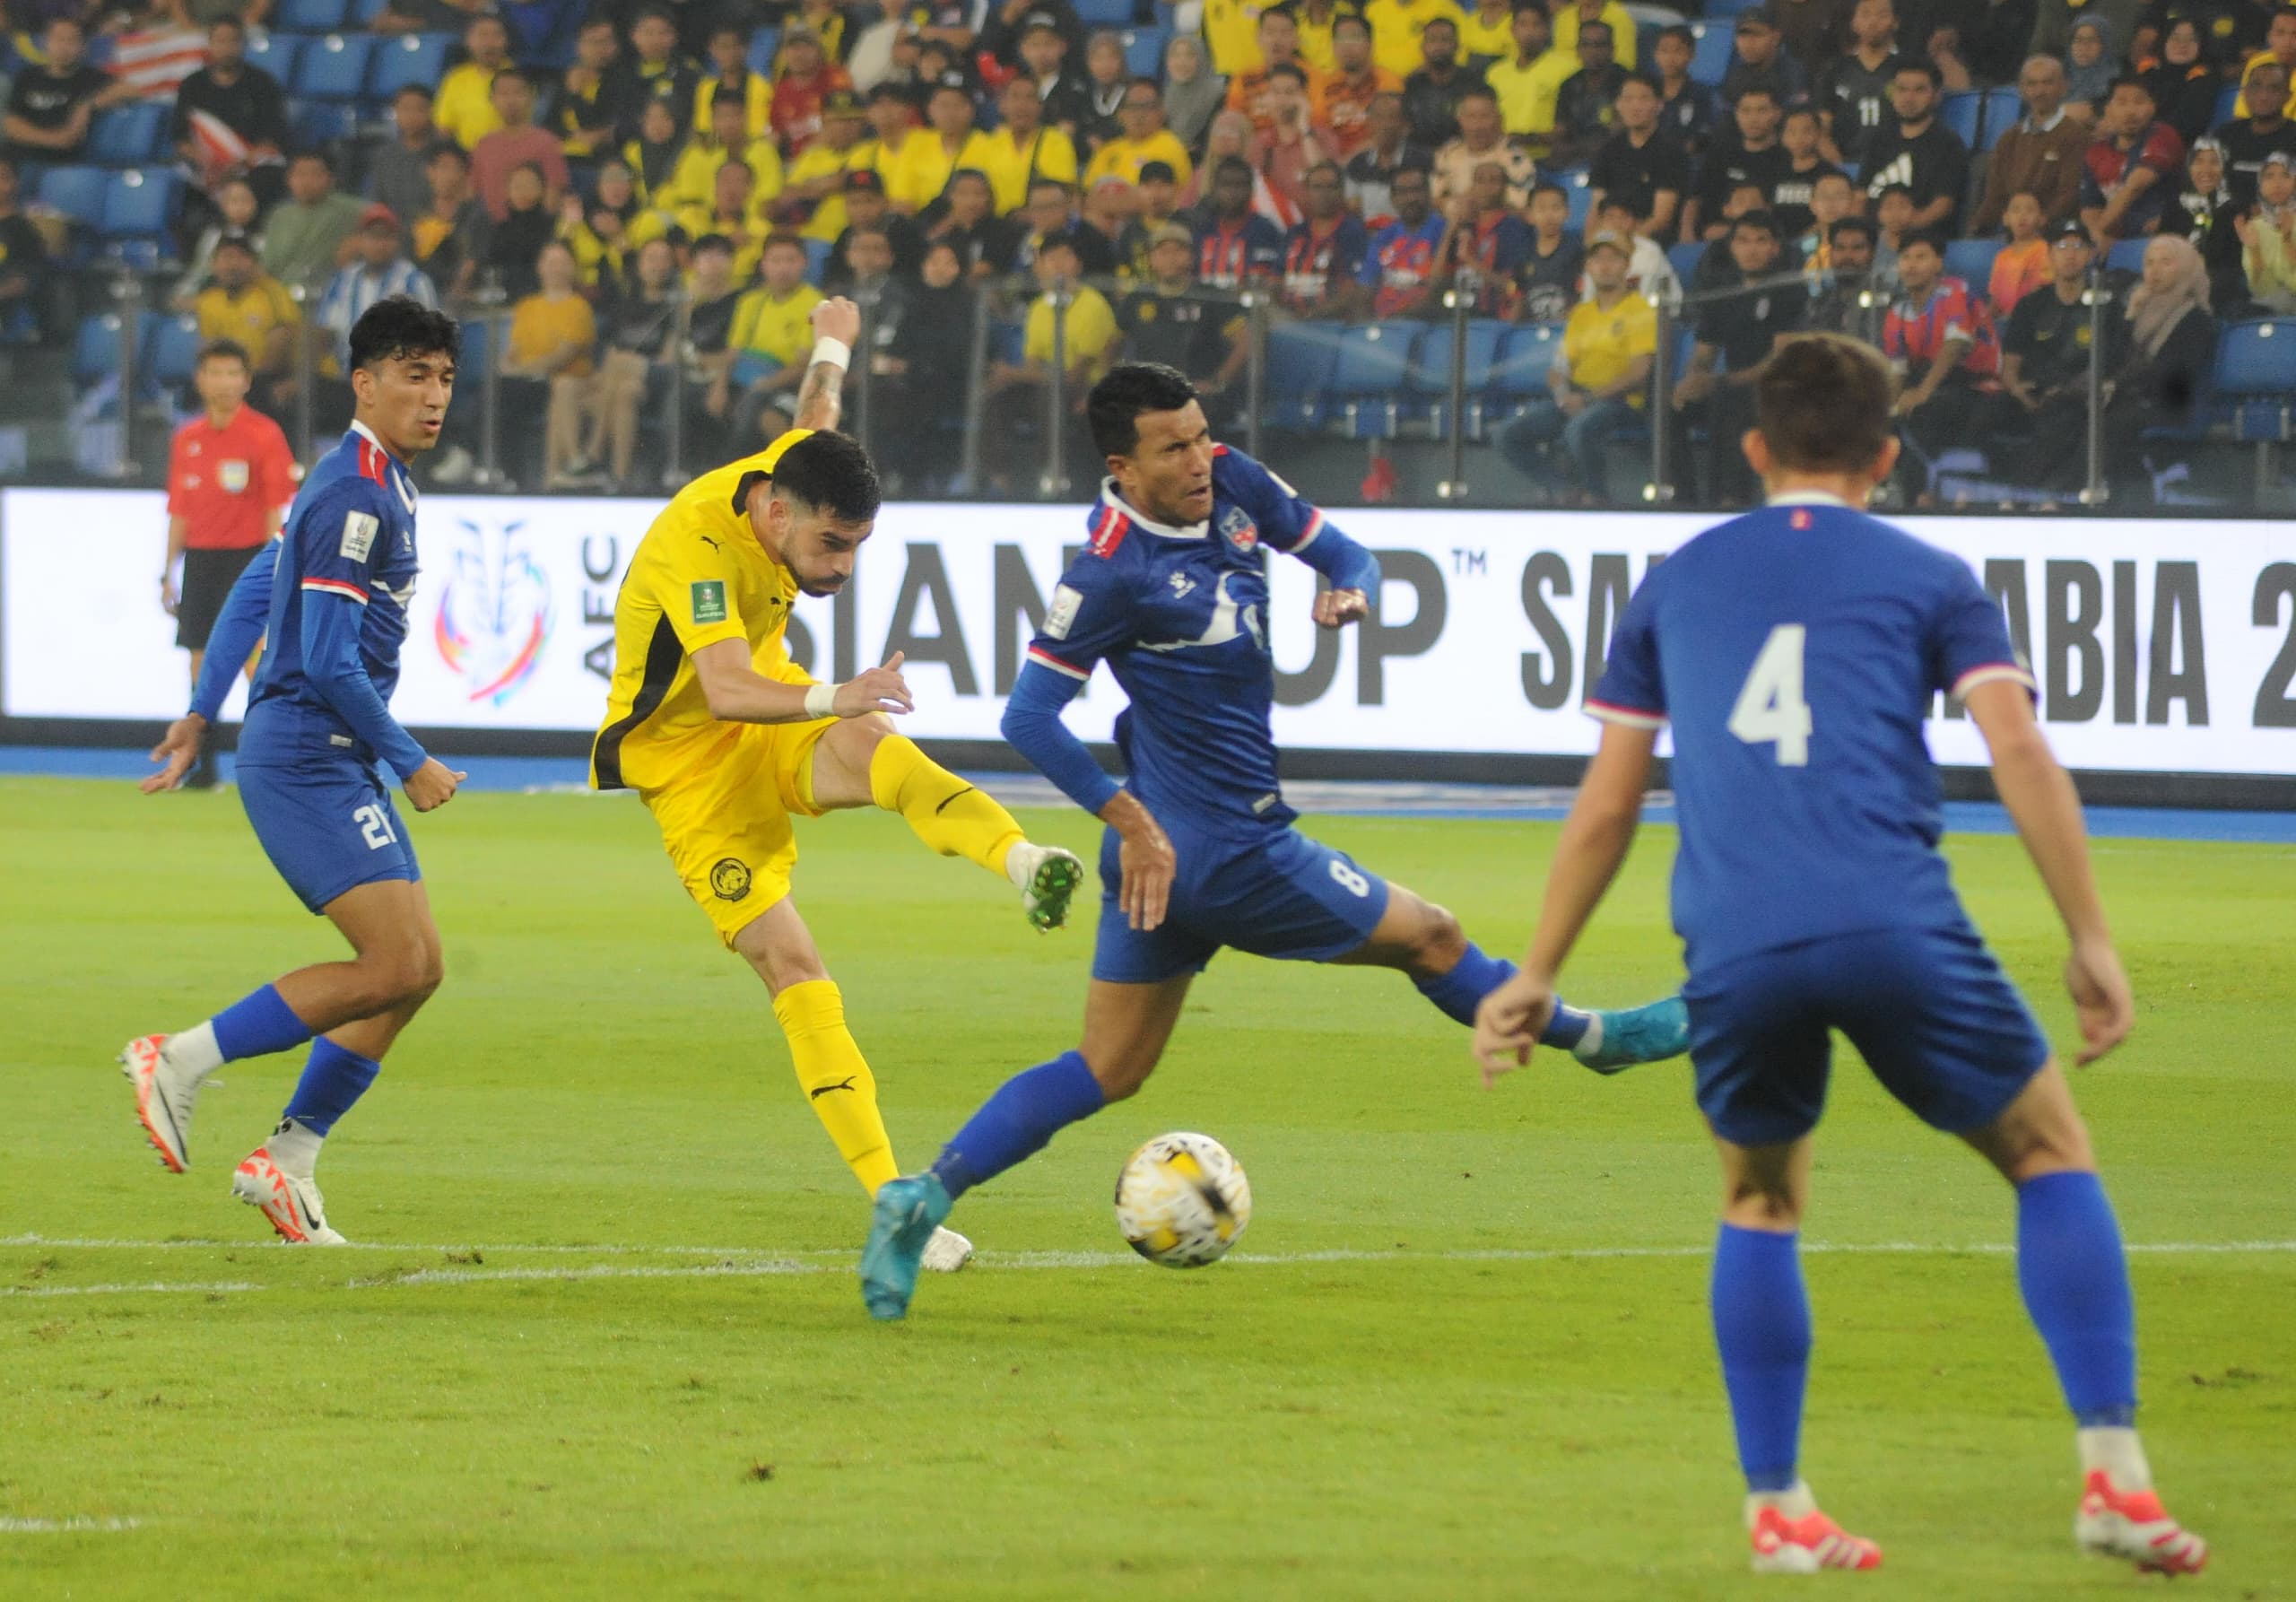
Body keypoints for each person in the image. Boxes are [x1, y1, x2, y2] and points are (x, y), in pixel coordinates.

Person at [1468, 329, 2210, 1580]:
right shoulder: (1933, 574)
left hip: (1737, 942)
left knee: (1759, 1196)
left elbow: (1606, 803)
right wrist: (2087, 936)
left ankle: (1779, 1510)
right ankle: (2116, 1482)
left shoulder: (1676, 580)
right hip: (1894, 921)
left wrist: (1536, 969)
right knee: (2045, 1149)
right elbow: (2020, 751)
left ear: (1754, 447)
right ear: (1888, 451)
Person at [857, 360, 1689, 1320]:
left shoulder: (1234, 483)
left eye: (1202, 434)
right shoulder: (1109, 573)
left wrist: (1350, 590)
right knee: (1433, 935)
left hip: (1163, 867)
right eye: (1173, 448)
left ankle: (924, 1193)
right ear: (1122, 467)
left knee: (1106, 1067)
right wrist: (1125, 817)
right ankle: (1595, 1039)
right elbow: (1029, 717)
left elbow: (1348, 555)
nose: (1199, 458)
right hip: (1228, 851)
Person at [591, 308, 1083, 1258]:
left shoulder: (790, 473)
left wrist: (835, 341)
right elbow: (728, 686)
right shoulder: (696, 547)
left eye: (856, 546)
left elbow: (818, 408)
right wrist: (835, 689)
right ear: (776, 514)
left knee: (871, 742)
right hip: (691, 768)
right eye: (831, 547)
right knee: (796, 968)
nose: (843, 567)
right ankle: (894, 1197)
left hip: (769, 719)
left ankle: (1021, 860)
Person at [126, 297, 467, 1248]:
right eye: (413, 375)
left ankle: (289, 1159)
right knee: (395, 961)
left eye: (443, 377)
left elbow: (249, 583)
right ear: (364, 383)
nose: (434, 395)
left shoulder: (367, 479)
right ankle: (178, 1058)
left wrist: (200, 711)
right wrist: (411, 760)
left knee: (418, 969)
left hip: (328, 753)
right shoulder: (356, 493)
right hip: (308, 756)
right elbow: (321, 657)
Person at [159, 340, 299, 790]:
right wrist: (167, 571)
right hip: (201, 560)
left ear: (246, 381)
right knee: (199, 664)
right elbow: (179, 510)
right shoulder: (188, 439)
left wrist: (276, 568)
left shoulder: (264, 435)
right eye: (214, 373)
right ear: (200, 380)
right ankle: (203, 767)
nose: (222, 382)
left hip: (248, 560)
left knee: (256, 664)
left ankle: (281, 762)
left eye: (231, 373)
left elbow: (276, 508)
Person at [1501, 229, 1652, 495]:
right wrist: (1563, 396)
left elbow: (1639, 373)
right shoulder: (1581, 313)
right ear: (1588, 267)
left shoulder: (1640, 310)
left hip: (1620, 401)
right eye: (1598, 259)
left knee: (1579, 430)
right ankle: (1567, 492)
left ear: (1627, 266)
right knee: (1507, 435)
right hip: (1577, 396)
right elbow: (1560, 367)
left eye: (1613, 259)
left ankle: (1598, 501)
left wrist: (1588, 399)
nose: (1605, 266)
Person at [1675, 210, 1808, 505]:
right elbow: (1704, 351)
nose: (1751, 249)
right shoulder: (1723, 291)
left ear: (1775, 248)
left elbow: (1780, 361)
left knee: (1732, 400)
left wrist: (1721, 380)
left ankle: (1732, 499)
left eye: (1761, 241)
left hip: (1777, 391)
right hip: (1729, 384)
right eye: (1743, 241)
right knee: (1670, 406)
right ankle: (1680, 499)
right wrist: (1694, 379)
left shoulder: (1789, 289)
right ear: (1732, 246)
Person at [1989, 218, 2112, 491]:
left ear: (2091, 254)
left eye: (2079, 246)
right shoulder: (2031, 304)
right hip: (2031, 391)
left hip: (2075, 396)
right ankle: (1966, 490)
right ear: (2050, 253)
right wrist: (2018, 391)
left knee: (2061, 418)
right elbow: (2010, 364)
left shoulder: (2104, 303)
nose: (2070, 254)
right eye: (2062, 246)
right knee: (1984, 411)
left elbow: (2110, 363)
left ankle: (2023, 495)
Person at [1883, 230, 1999, 494]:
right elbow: (1897, 370)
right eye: (1906, 258)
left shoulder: (1955, 291)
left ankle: (1918, 495)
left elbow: (1955, 345)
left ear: (1938, 264)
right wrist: (1891, 405)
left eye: (1921, 257)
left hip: (1976, 386)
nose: (1912, 264)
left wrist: (1923, 392)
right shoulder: (1897, 310)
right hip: (1932, 382)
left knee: (1927, 411)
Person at [1120, 222, 1250, 421]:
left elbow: (1246, 341)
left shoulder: (1210, 295)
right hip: (1148, 397)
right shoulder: (1138, 297)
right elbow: (1112, 343)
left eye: (1179, 251)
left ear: (1191, 256)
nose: (1171, 258)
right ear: (1151, 259)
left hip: (1196, 398)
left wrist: (1218, 381)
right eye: (1163, 252)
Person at [498, 239, 596, 486]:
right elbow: (512, 351)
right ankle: (508, 476)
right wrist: (508, 367)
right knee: (496, 394)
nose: (556, 268)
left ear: (572, 268)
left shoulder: (579, 307)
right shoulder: (527, 307)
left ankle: (558, 474)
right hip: (527, 383)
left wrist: (520, 369)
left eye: (562, 263)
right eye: (551, 262)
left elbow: (564, 355)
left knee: (550, 389)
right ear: (540, 267)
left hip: (566, 380)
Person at [726, 233, 830, 447]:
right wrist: (718, 386)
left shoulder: (816, 305)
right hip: (745, 378)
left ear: (804, 263)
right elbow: (733, 353)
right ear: (764, 265)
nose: (783, 269)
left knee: (762, 412)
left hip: (791, 386)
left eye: (790, 260)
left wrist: (763, 385)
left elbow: (802, 366)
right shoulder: (750, 302)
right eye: (776, 261)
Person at [170, 16, 287, 196]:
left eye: (234, 40)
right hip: (205, 167)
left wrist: (237, 165)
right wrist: (206, 163)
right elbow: (181, 139)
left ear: (243, 44)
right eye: (221, 41)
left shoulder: (262, 83)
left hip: (249, 165)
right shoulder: (192, 85)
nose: (227, 48)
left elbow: (271, 139)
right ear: (210, 44)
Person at [1972, 55, 2089, 234]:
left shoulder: (2076, 135)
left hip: (2055, 233)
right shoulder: (2008, 138)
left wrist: (2038, 223)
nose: (2039, 91)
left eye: (2047, 83)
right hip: (2013, 233)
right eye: (2032, 84)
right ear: (2022, 90)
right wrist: (1976, 230)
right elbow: (1995, 196)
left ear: (2064, 87)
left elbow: (2069, 195)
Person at [194, 233, 300, 421]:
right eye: (226, 257)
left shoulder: (273, 293)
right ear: (214, 264)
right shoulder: (207, 301)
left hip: (270, 379)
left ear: (254, 264)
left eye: (241, 257)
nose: (233, 265)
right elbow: (209, 349)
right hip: (229, 379)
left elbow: (288, 339)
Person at [1860, 60, 1970, 234]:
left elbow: (1942, 206)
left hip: (1920, 240)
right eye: (1902, 89)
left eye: (1919, 90)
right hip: (1872, 240)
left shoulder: (1949, 144)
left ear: (1936, 95)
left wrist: (1898, 233)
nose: (1908, 98)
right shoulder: (1879, 139)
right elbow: (1860, 195)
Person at [2, 16, 127, 165]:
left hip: (62, 163)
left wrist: (88, 104)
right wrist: (55, 139)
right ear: (45, 43)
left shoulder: (92, 78)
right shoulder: (27, 76)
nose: (64, 47)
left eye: (72, 40)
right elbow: (11, 124)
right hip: (16, 160)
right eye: (59, 39)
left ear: (83, 46)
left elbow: (131, 88)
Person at [2078, 76, 2187, 245]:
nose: (2130, 111)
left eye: (2139, 102)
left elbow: (2135, 187)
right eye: (2121, 103)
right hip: (2112, 239)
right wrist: (2098, 237)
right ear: (2108, 110)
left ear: (2152, 107)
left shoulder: (2163, 136)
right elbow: (2090, 206)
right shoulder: (2096, 151)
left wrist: (2098, 233)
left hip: (2159, 240)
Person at [1589, 74, 1691, 240]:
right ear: (1618, 105)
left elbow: (1661, 219)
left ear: (1659, 105)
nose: (1635, 106)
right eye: (1628, 99)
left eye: (1644, 99)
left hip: (1651, 242)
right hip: (1611, 241)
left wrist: (1623, 246)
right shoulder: (1608, 150)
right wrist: (1592, 245)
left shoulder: (1671, 152)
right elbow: (1595, 209)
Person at [1689, 85, 1791, 243]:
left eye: (1761, 110)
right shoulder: (1720, 154)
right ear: (1736, 114)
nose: (1753, 118)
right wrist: (1687, 234)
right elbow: (1696, 198)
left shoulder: (1787, 159)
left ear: (1777, 114)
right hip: (1715, 237)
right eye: (1745, 111)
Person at [1812, 0, 1904, 170]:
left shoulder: (1908, 68)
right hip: (1845, 164)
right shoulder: (1834, 70)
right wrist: (1839, 164)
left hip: (1897, 166)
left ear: (1896, 22)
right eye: (1865, 14)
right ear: (1853, 22)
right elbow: (1823, 128)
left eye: (1882, 14)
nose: (1873, 22)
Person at [471, 65, 571, 222]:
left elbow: (554, 193)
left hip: (530, 229)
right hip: (487, 232)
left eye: (518, 93)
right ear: (492, 99)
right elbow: (473, 193)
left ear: (532, 97)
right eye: (503, 94)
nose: (511, 100)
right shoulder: (484, 144)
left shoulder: (546, 143)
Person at [2161, 136, 2248, 309]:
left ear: (2224, 167)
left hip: (2219, 286)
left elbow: (2234, 264)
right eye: (2198, 161)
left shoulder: (2235, 209)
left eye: (2214, 162)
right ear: (2188, 167)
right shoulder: (2174, 208)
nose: (2206, 170)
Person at [264, 152, 368, 294]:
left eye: (315, 174)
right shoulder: (279, 216)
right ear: (289, 180)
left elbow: (383, 222)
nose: (306, 181)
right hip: (284, 294)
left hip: (329, 292)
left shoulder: (349, 210)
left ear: (330, 179)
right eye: (300, 174)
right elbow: (268, 265)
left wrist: (359, 241)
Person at [1284, 160, 1375, 316]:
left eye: (1330, 187)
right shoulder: (1295, 233)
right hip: (1287, 320)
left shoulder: (1353, 234)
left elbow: (1352, 291)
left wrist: (1312, 315)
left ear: (1341, 192)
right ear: (1307, 192)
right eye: (1317, 187)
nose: (1323, 194)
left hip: (1331, 324)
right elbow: (1275, 282)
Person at [1360, 159, 1450, 314]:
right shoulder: (1384, 236)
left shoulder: (1444, 231)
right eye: (1403, 192)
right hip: (1382, 326)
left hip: (1427, 324)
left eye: (1416, 190)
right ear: (1393, 199)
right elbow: (1366, 287)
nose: (1411, 198)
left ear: (1429, 194)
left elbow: (1435, 291)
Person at [984, 73, 1080, 215]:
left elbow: (1066, 194)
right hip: (997, 226)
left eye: (1030, 98)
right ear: (1002, 105)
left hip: (1042, 224)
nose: (1022, 106)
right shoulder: (990, 143)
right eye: (1015, 97)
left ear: (1040, 106)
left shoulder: (1056, 141)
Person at [1485, 3, 1573, 157]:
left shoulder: (1567, 69)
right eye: (1523, 24)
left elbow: (1569, 123)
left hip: (1548, 158)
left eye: (1536, 25)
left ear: (1547, 30)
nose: (1529, 32)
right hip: (1502, 158)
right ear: (1512, 30)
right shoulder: (1495, 73)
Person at [1431, 84, 1534, 211]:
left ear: (1499, 120)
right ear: (1460, 119)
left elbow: (1518, 207)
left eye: (1484, 117)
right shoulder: (1447, 152)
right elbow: (1434, 199)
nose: (1477, 126)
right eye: (1471, 117)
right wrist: (1456, 206)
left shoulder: (1516, 157)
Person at [1083, 80, 1196, 189]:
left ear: (1161, 112)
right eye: (1133, 106)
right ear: (1120, 114)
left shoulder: (1171, 146)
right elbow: (1089, 191)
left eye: (1147, 106)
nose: (1139, 114)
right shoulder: (1107, 150)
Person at [1318, 13, 1400, 160]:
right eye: (1341, 39)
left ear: (1370, 44)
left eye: (1355, 37)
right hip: (1333, 163)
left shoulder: (1388, 82)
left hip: (1375, 159)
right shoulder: (1325, 86)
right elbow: (1319, 131)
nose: (1348, 45)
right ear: (1334, 46)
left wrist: (1351, 159)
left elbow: (1390, 132)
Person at [1551, 20, 1630, 168]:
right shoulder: (1569, 85)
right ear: (1578, 50)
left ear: (1612, 50)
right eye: (1586, 45)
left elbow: (1620, 132)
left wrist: (1578, 148)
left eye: (1599, 45)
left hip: (1617, 160)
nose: (1592, 51)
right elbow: (1560, 130)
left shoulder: (1627, 83)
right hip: (1574, 159)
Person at [2212, 57, 2289, 206]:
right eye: (2256, 87)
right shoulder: (2223, 135)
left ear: (2288, 96)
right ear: (2244, 93)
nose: (2263, 96)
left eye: (2274, 89)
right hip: (2226, 219)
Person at [1402, 15, 1487, 148]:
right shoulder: (1413, 84)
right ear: (1423, 46)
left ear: (1457, 45)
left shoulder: (1473, 82)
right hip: (1420, 155)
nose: (1439, 46)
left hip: (1464, 154)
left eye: (1445, 40)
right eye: (1432, 40)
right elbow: (1406, 127)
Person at [434, 14, 514, 152]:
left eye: (496, 35)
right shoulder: (455, 79)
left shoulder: (518, 77)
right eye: (482, 35)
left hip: (509, 154)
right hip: (465, 157)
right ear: (468, 41)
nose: (490, 43)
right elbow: (444, 127)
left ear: (506, 40)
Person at [1514, 180, 1586, 323]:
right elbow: (1518, 298)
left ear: (1567, 212)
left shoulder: (1579, 250)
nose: (1549, 215)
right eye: (1541, 209)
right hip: (1531, 330)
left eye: (1556, 208)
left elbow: (1584, 295)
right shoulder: (1523, 254)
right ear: (1529, 215)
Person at [2234, 146, 2296, 309]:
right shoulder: (2255, 227)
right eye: (2269, 176)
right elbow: (2261, 290)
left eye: (2285, 175)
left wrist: (2288, 239)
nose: (2277, 183)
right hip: (2272, 309)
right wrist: (2254, 250)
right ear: (2260, 185)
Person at [1720, 8, 1810, 109]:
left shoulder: (1793, 73)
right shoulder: (1734, 76)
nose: (1749, 43)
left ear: (1776, 37)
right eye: (1743, 35)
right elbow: (1727, 118)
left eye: (1757, 34)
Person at [1653, 22, 1720, 156]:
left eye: (1678, 51)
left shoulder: (1701, 95)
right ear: (1656, 55)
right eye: (1665, 50)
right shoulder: (1648, 91)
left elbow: (1702, 136)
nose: (1670, 58)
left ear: (1692, 55)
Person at [1989, 190, 2052, 312]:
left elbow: (2044, 291)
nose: (2022, 216)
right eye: (2016, 210)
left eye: (2030, 210)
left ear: (2042, 219)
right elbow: (1995, 300)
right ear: (2006, 218)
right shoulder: (2001, 256)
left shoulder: (2045, 250)